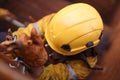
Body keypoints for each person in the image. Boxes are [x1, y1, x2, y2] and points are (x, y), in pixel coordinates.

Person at [2, 3, 103, 80]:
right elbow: (26, 31)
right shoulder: (54, 21)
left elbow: (50, 77)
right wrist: (15, 45)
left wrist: (35, 64)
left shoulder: (83, 66)